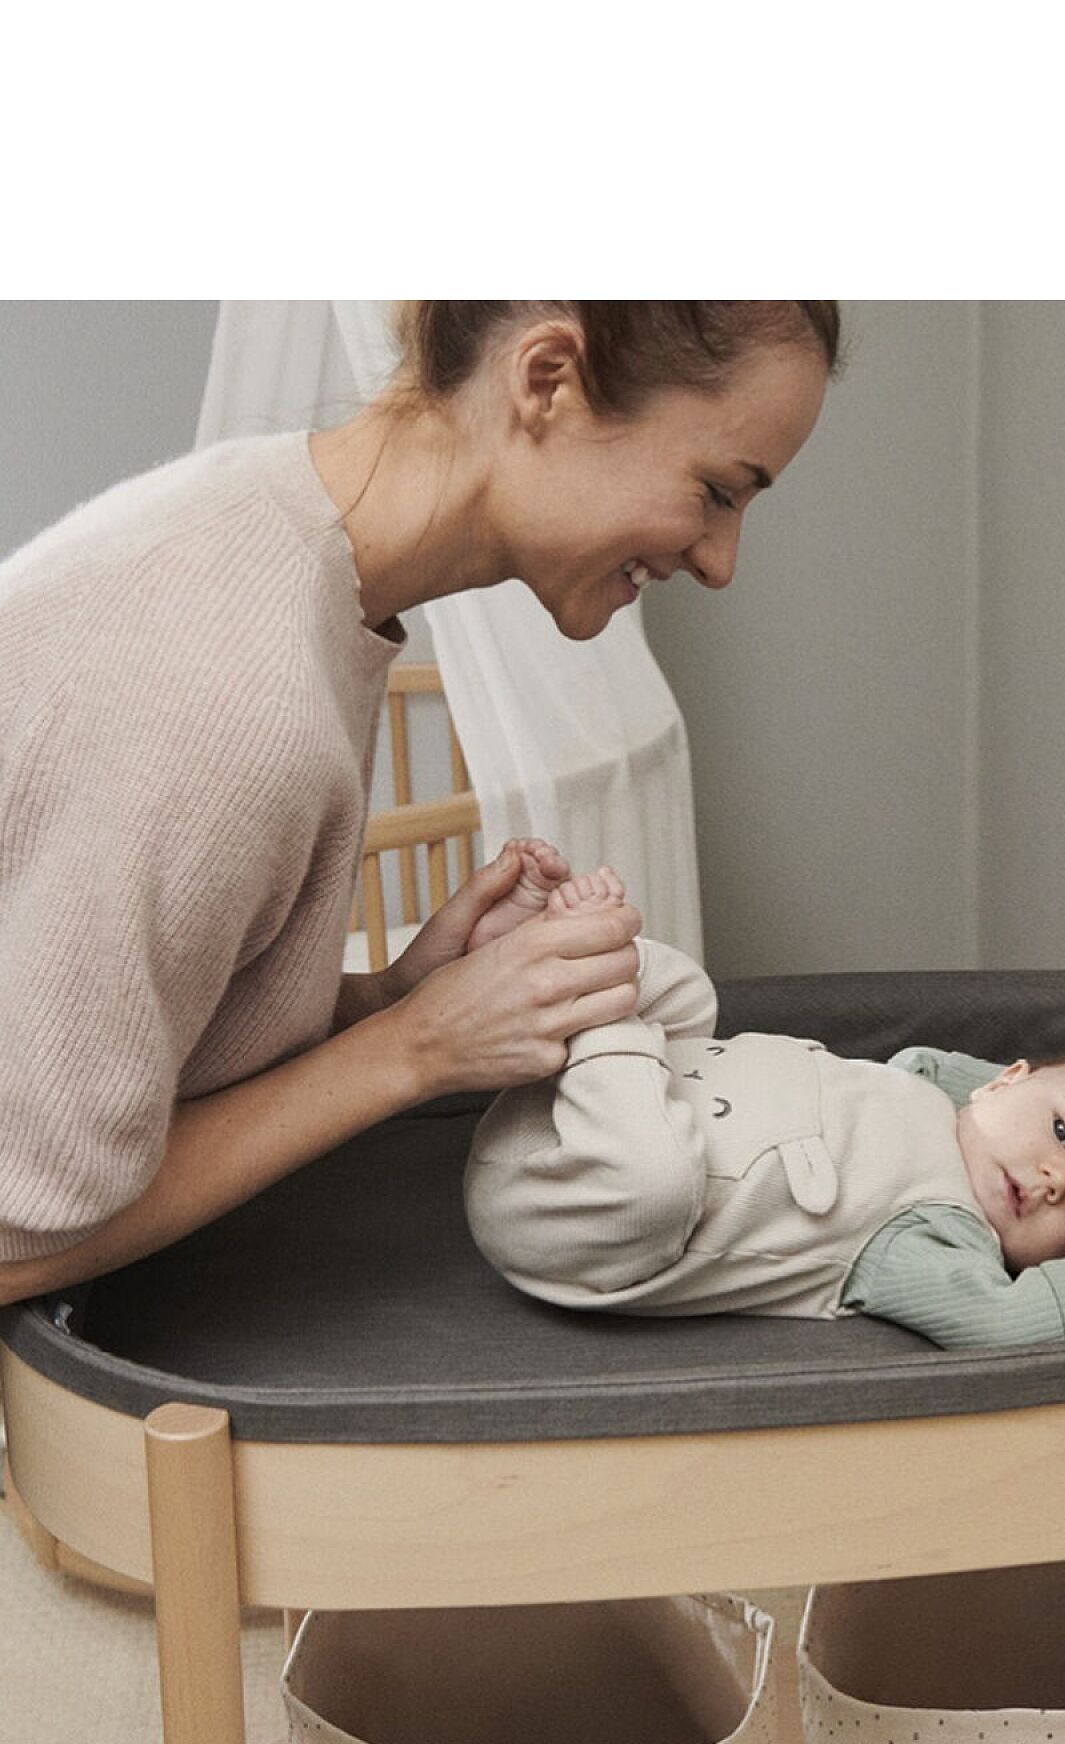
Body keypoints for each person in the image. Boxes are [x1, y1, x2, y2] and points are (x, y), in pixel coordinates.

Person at [0, 301, 839, 1307]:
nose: (719, 561)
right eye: (714, 491)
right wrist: (414, 1050)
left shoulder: (274, 537)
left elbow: (119, 1035)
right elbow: (17, 1243)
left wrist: (388, 995)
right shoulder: (226, 694)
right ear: (546, 378)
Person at [464, 854, 1065, 1351]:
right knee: (690, 992)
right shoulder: (932, 1089)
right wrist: (1000, 1100)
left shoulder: (932, 1242)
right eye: (1064, 1132)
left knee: (657, 1183)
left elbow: (1001, 1322)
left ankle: (593, 1007)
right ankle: (552, 959)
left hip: (567, 1208)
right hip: (567, 1098)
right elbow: (978, 1089)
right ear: (1003, 1079)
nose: (1054, 1180)